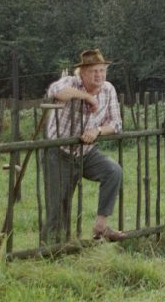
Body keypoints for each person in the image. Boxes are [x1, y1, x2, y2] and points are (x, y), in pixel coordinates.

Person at [43, 48, 124, 241]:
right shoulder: (71, 82)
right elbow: (55, 92)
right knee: (58, 204)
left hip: (86, 152)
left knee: (113, 171)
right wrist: (87, 97)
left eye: (102, 70)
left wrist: (97, 131)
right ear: (82, 72)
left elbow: (116, 124)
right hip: (59, 152)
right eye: (93, 71)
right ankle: (52, 247)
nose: (99, 75)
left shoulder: (108, 89)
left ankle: (101, 225)